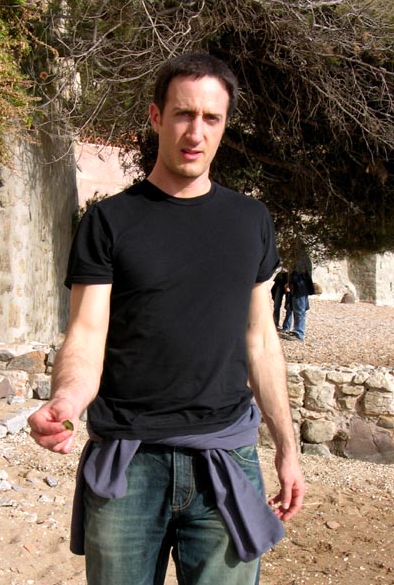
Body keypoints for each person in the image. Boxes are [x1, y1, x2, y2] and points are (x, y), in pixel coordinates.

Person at [28, 53, 305, 585]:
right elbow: (87, 333)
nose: (195, 132)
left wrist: (288, 451)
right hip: (128, 464)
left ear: (224, 125)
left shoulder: (251, 220)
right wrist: (66, 401)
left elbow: (261, 340)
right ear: (156, 117)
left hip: (226, 459)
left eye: (211, 118)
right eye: (183, 114)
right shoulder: (109, 221)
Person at [281, 250, 314, 341]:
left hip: (300, 287)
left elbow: (297, 274)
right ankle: (297, 331)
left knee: (299, 310)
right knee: (298, 310)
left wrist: (290, 283)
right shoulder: (303, 257)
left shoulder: (300, 258)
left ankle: (299, 333)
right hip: (301, 287)